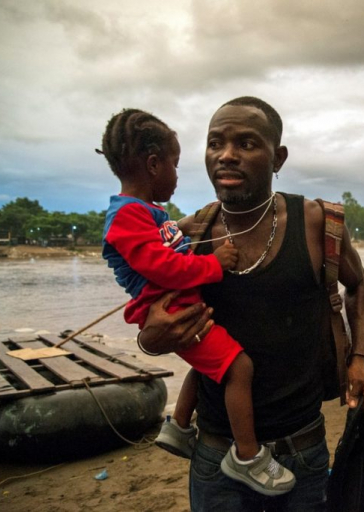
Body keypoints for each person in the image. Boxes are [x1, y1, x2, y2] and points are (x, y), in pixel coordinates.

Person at [135, 96, 364, 511]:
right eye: (215, 144)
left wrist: (360, 358)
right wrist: (150, 341)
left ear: (277, 157)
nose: (227, 156)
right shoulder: (192, 233)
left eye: (246, 144)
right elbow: (156, 319)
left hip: (302, 450)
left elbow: (361, 289)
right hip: (216, 457)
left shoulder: (315, 222)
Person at [98, 108, 296, 496]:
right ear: (154, 165)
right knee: (238, 367)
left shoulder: (146, 212)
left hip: (178, 301)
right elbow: (163, 266)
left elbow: (170, 236)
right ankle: (247, 456)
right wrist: (214, 264)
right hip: (170, 306)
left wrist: (189, 227)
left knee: (211, 367)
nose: (177, 173)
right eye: (174, 164)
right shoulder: (126, 217)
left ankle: (179, 426)